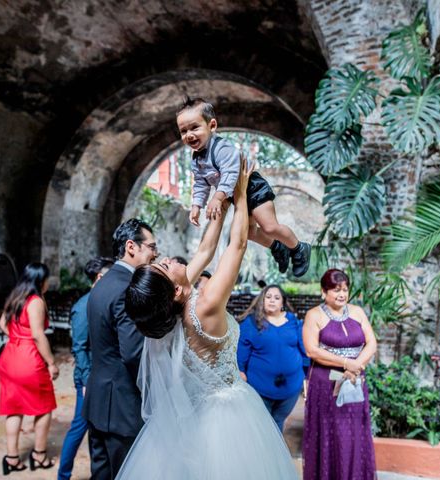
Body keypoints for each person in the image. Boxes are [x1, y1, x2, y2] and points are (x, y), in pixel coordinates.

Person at [119, 155, 298, 479]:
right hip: (231, 416)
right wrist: (242, 193)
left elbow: (206, 248)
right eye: (164, 265)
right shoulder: (205, 304)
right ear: (174, 290)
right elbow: (238, 244)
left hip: (199, 414)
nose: (169, 259)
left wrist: (223, 195)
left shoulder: (173, 312)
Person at [177, 96, 311, 277]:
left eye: (194, 127)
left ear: (212, 125)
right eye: (183, 131)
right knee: (249, 232)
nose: (189, 134)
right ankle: (277, 246)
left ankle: (298, 248)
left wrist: (218, 197)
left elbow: (231, 173)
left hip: (253, 188)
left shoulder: (221, 148)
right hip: (235, 194)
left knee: (269, 227)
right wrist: (196, 205)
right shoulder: (197, 158)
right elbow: (201, 183)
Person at [82, 218, 158, 480]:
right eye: (151, 246)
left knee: (101, 474)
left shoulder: (101, 284)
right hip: (123, 407)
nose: (155, 253)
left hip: (98, 400)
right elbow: (133, 354)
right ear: (131, 247)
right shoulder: (127, 289)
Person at [301, 269, 378, 480]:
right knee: (330, 432)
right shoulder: (314, 315)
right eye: (336, 290)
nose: (342, 294)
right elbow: (312, 350)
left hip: (354, 380)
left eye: (345, 289)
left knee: (354, 432)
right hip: (325, 384)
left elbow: (371, 342)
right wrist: (345, 363)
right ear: (324, 291)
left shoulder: (357, 312)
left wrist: (356, 366)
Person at [0, 262, 59, 475]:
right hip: (29, 359)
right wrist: (51, 362)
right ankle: (39, 455)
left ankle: (12, 458)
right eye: (47, 278)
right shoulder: (35, 301)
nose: (48, 282)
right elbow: (37, 334)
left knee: (13, 408)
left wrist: (17, 337)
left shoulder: (15, 297)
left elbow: (2, 325)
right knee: (44, 407)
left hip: (9, 356)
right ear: (39, 280)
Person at [58, 256, 114, 480]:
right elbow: (79, 348)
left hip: (100, 375)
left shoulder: (102, 300)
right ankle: (63, 475)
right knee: (79, 427)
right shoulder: (83, 306)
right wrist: (85, 380)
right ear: (100, 277)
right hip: (88, 376)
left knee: (96, 431)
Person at [237, 284, 308, 432]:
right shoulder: (250, 323)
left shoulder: (293, 321)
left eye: (276, 298)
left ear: (283, 302)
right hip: (260, 387)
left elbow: (303, 350)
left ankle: (276, 453)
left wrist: (306, 375)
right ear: (261, 300)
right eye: (268, 297)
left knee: (278, 422)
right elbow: (241, 354)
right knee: (260, 426)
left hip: (290, 387)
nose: (272, 301)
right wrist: (240, 372)